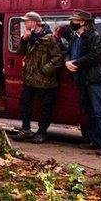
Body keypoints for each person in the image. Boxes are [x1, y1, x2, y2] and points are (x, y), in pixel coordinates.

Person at [12, 11, 63, 143]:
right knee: (24, 103)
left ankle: (42, 132)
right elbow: (20, 52)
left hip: (45, 81)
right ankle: (26, 129)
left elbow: (57, 58)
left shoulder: (49, 38)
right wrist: (24, 39)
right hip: (29, 79)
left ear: (35, 22)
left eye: (27, 21)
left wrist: (44, 70)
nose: (25, 24)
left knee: (45, 107)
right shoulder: (30, 37)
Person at [64, 10, 101, 156]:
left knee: (100, 112)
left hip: (95, 80)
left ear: (82, 22)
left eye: (74, 20)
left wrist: (75, 63)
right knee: (91, 112)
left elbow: (95, 56)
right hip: (83, 79)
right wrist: (67, 62)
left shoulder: (95, 37)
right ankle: (96, 141)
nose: (71, 23)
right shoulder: (76, 38)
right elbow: (69, 52)